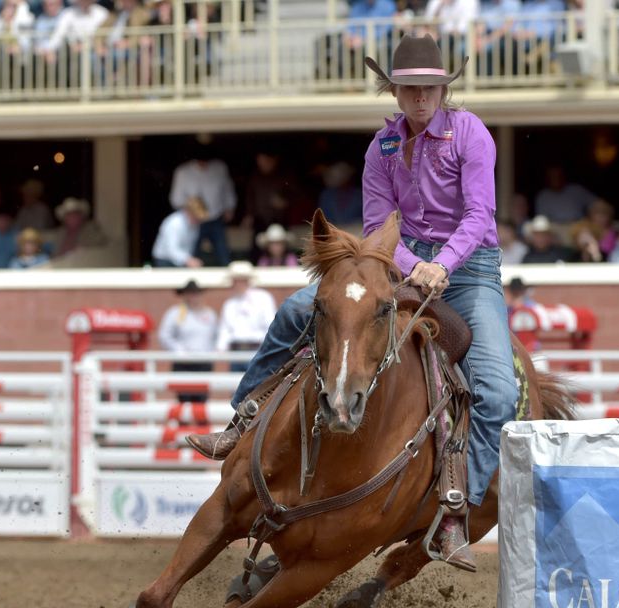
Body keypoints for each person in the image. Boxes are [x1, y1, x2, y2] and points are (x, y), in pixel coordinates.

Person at [187, 35, 515, 573]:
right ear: (395, 90)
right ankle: (243, 417)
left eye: (430, 89)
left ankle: (457, 506)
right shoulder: (381, 148)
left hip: (470, 271)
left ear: (442, 88)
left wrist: (443, 264)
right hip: (399, 263)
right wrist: (412, 266)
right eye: (410, 89)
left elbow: (479, 214)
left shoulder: (470, 133)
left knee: (498, 391)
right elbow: (374, 225)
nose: (420, 99)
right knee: (298, 309)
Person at [169, 144, 237, 267]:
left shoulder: (219, 168)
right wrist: (190, 213)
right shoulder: (183, 172)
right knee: (192, 253)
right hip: (194, 221)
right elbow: (176, 199)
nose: (203, 164)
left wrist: (229, 207)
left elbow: (228, 189)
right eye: (200, 161)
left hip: (216, 217)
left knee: (223, 253)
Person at [157, 279, 218, 403]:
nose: (193, 297)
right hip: (183, 362)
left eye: (196, 293)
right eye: (190, 293)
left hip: (203, 362)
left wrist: (212, 352)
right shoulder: (175, 313)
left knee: (201, 401)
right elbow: (164, 335)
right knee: (183, 401)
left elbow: (216, 337)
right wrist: (178, 349)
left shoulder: (209, 314)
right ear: (184, 295)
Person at [214, 261, 277, 373]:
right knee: (236, 388)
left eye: (240, 280)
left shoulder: (263, 298)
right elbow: (225, 329)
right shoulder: (230, 303)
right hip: (235, 352)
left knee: (257, 388)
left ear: (247, 280)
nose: (237, 283)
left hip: (256, 350)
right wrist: (221, 349)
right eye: (235, 280)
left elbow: (270, 325)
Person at [151, 197, 208, 268]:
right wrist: (189, 260)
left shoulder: (195, 224)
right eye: (196, 218)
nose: (198, 222)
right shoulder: (175, 223)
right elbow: (172, 250)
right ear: (188, 212)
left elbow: (189, 247)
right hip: (164, 260)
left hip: (180, 261)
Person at [317, 162, 363, 227]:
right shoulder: (326, 196)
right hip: (331, 232)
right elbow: (322, 217)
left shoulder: (359, 195)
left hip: (355, 232)